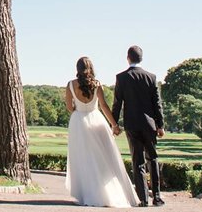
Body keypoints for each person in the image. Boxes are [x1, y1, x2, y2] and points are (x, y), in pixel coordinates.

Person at [64, 56, 140, 208]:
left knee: (83, 158)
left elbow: (68, 106)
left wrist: (78, 111)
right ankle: (105, 191)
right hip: (96, 119)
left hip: (78, 121)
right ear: (91, 68)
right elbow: (104, 106)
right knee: (103, 157)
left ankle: (87, 193)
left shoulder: (71, 85)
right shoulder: (97, 84)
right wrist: (114, 125)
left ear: (77, 69)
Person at [111, 45, 166, 207]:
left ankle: (143, 198)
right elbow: (157, 103)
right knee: (153, 159)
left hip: (132, 125)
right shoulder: (151, 77)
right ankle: (157, 196)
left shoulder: (121, 78)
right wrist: (160, 124)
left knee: (138, 162)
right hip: (150, 125)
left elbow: (117, 104)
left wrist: (114, 124)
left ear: (128, 58)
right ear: (141, 58)